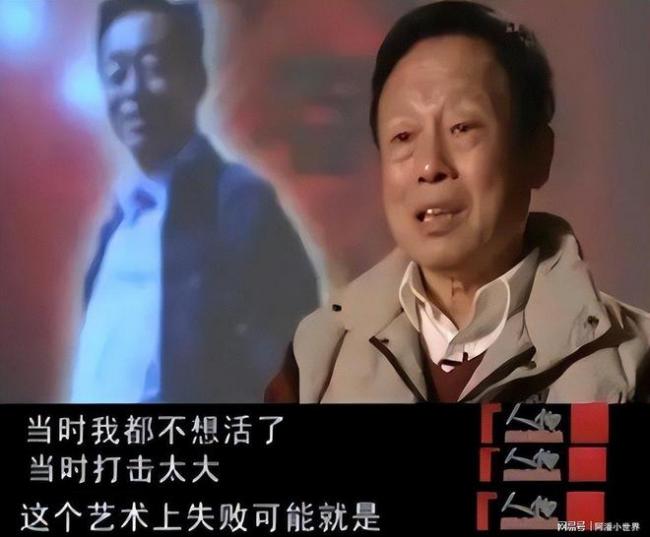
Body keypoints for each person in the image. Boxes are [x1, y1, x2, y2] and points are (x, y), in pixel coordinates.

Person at [266, 0, 650, 403]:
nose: (430, 165)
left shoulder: (632, 361)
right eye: (403, 136)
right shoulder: (317, 357)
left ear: (538, 153)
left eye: (462, 127)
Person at [70, 0, 318, 403]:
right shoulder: (116, 227)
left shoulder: (238, 205)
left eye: (153, 66)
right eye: (116, 72)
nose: (133, 89)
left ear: (196, 77)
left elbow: (295, 362)